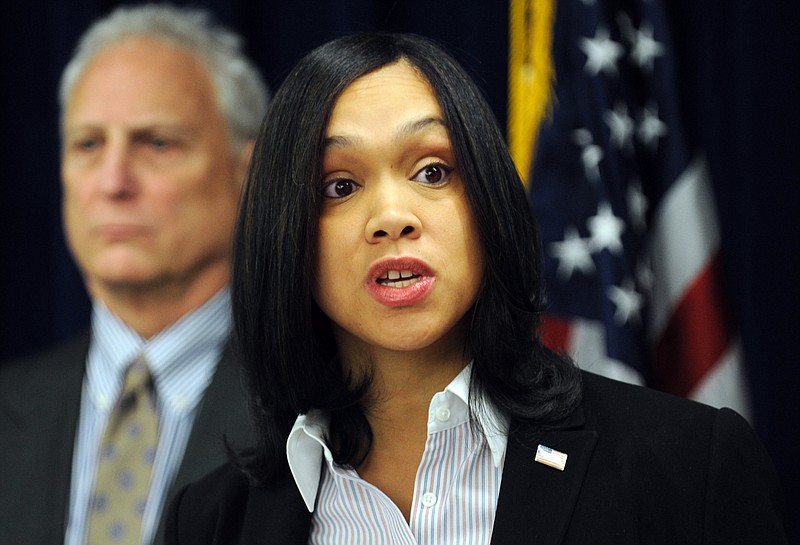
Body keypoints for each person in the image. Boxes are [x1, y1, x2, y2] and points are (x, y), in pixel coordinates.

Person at [166, 32, 787, 544]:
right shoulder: (211, 522)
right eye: (339, 186)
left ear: (488, 201)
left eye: (432, 171)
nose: (392, 216)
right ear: (286, 235)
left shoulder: (688, 467)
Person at [0, 5, 269, 545]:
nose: (113, 181)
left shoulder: (317, 409)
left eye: (157, 143)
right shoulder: (11, 404)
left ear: (247, 171)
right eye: (89, 144)